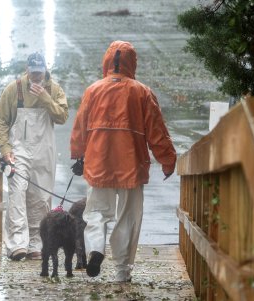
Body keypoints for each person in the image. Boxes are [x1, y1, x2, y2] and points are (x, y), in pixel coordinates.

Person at [70, 41, 176, 282]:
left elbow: (79, 127)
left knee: (96, 211)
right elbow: (157, 132)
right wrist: (168, 160)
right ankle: (121, 271)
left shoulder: (93, 90)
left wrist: (78, 154)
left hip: (98, 162)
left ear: (107, 61)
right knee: (127, 217)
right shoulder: (142, 92)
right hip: (131, 165)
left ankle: (96, 248)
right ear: (132, 63)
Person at [0, 52, 68, 261]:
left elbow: (62, 116)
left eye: (40, 73)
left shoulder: (54, 89)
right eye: (33, 73)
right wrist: (5, 149)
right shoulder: (14, 89)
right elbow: (0, 120)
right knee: (17, 192)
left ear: (45, 70)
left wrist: (46, 99)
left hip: (44, 150)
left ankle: (36, 243)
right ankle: (17, 244)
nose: (37, 78)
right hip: (19, 150)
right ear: (27, 70)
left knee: (41, 198)